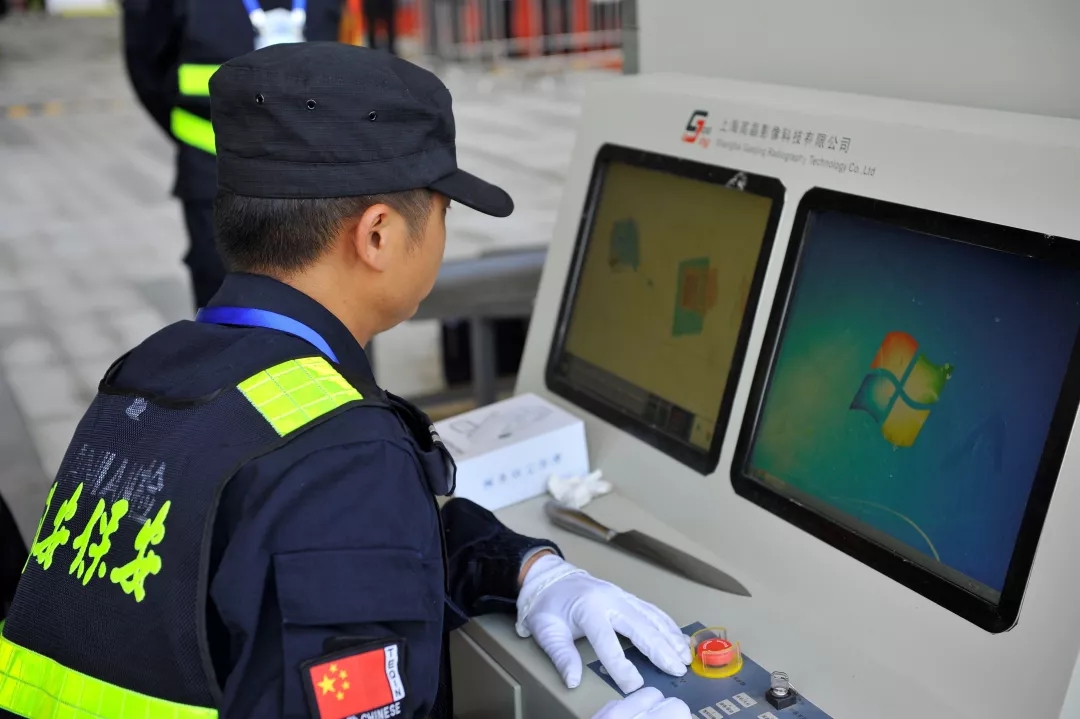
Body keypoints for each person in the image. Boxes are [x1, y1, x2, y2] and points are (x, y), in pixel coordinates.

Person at [0, 43, 693, 719]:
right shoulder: (340, 452)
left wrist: (528, 569)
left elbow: (320, 558)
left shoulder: (150, 376)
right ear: (378, 235)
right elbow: (333, 533)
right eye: (444, 211)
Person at [121, 0, 344, 310]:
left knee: (319, 304)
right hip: (216, 176)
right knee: (227, 306)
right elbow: (147, 66)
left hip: (314, 175)